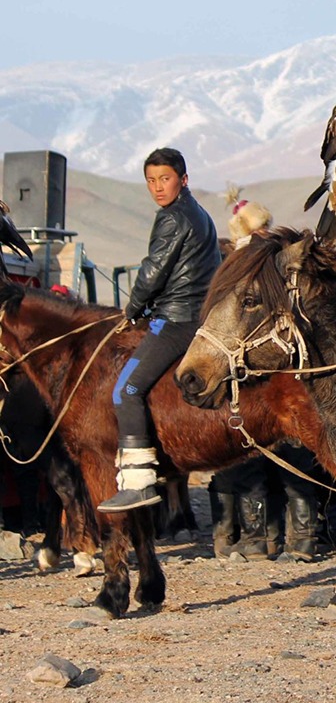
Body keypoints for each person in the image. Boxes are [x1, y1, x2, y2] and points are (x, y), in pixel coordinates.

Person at [101, 149, 221, 512]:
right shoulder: (199, 213)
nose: (157, 187)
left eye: (164, 179)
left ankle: (138, 482)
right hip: (195, 315)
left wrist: (132, 308)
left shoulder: (173, 217)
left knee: (125, 390)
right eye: (151, 181)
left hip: (177, 320)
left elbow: (153, 271)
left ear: (182, 179)